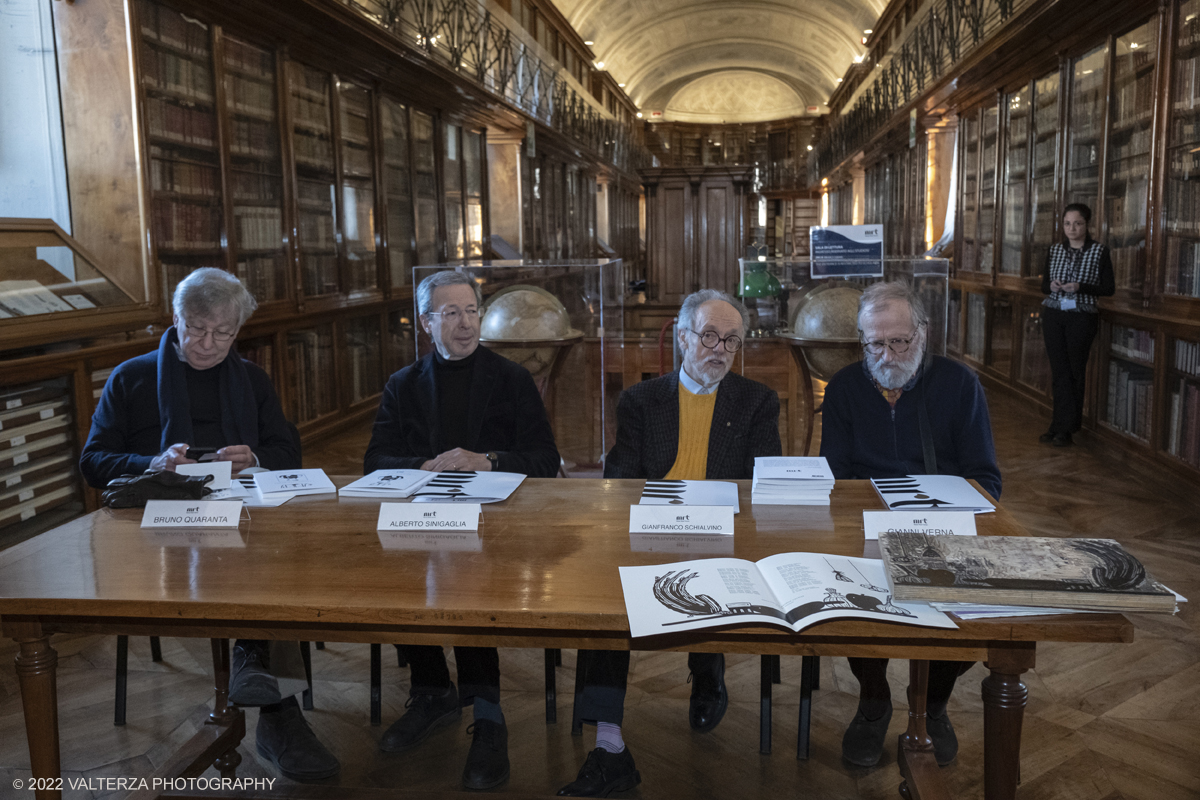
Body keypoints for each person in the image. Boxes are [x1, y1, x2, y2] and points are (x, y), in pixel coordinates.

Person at [79, 268, 338, 782]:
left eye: (224, 333)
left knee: (278, 561)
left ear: (238, 330)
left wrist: (256, 457)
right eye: (196, 328)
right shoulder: (132, 377)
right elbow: (93, 461)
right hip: (154, 530)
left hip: (240, 518)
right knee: (253, 568)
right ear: (175, 319)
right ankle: (274, 702)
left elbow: (290, 452)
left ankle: (265, 687)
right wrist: (152, 463)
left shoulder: (253, 379)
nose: (208, 343)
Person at [558, 289, 782, 797]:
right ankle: (609, 744)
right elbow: (620, 483)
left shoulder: (756, 401)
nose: (719, 349)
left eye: (731, 340)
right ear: (683, 338)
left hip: (726, 539)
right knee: (608, 601)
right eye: (708, 335)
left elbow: (761, 490)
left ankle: (707, 669)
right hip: (650, 533)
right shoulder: (642, 399)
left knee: (706, 582)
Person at [364, 270, 559, 790]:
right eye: (450, 313)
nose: (465, 322)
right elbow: (375, 460)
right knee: (409, 577)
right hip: (421, 520)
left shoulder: (511, 379)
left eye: (471, 310)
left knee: (471, 580)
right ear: (427, 323)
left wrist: (487, 460)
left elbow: (544, 459)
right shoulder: (403, 385)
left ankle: (489, 715)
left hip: (494, 528)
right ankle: (432, 693)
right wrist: (422, 465)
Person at [820, 280, 1002, 769]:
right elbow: (833, 480)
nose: (888, 353)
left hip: (944, 533)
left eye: (899, 341)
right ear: (861, 341)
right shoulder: (843, 388)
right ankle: (874, 698)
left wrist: (947, 512)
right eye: (874, 343)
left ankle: (934, 704)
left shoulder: (959, 385)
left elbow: (986, 479)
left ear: (923, 333)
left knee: (972, 616)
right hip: (866, 533)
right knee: (848, 602)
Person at [1040, 203, 1115, 446]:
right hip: (1054, 313)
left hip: (1082, 316)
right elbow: (1043, 286)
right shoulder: (1053, 251)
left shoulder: (1100, 252)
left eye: (1078, 223)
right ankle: (1057, 424)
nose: (1072, 228)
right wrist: (1052, 286)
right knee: (1059, 370)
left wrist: (1080, 287)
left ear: (1087, 225)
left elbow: (1108, 288)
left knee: (1074, 371)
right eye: (1067, 223)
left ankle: (1067, 428)